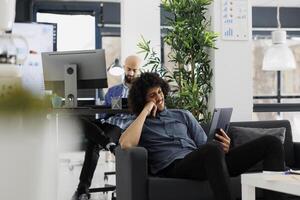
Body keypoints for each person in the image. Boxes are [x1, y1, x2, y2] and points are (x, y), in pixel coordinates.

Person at [119, 72, 285, 200]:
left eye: (160, 92)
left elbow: (205, 145)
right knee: (212, 149)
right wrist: (146, 111)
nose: (159, 97)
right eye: (152, 95)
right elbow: (125, 143)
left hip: (202, 160)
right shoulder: (140, 124)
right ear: (143, 100)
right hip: (176, 167)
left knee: (272, 143)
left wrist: (225, 148)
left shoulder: (182, 115)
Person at [72, 55, 141, 200]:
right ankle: (107, 144)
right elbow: (104, 114)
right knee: (78, 119)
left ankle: (82, 190)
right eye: (129, 69)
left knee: (93, 142)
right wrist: (108, 110)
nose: (131, 73)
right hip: (108, 123)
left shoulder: (142, 92)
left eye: (135, 70)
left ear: (139, 71)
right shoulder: (113, 91)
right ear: (124, 67)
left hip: (123, 127)